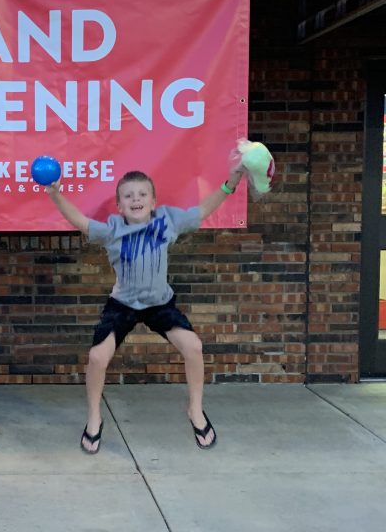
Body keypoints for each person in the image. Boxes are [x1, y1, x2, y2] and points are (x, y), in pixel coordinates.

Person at [46, 162, 245, 454]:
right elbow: (80, 221)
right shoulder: (112, 229)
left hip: (159, 304)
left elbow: (203, 210)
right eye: (128, 196)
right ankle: (94, 418)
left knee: (193, 346)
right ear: (119, 205)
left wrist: (231, 182)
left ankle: (196, 410)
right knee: (97, 356)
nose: (135, 199)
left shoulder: (167, 221)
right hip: (123, 305)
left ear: (153, 202)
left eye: (141, 194)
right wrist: (55, 195)